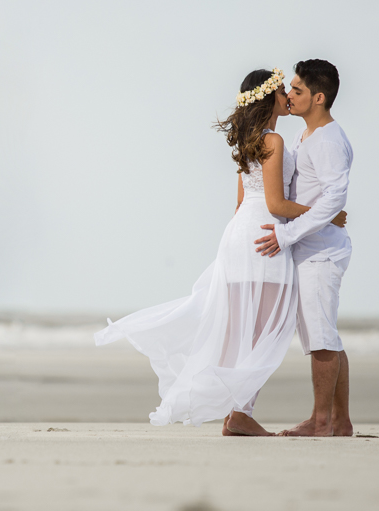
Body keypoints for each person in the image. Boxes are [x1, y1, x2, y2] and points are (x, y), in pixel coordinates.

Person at [95, 67, 346, 436]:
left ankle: (237, 411)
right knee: (263, 330)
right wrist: (327, 216)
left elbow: (241, 201)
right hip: (265, 236)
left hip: (239, 234)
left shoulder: (249, 139)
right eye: (282, 91)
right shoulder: (274, 140)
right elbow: (276, 204)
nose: (287, 97)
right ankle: (240, 412)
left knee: (239, 328)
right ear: (268, 98)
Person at [254, 59, 354, 437]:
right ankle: (339, 421)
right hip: (309, 247)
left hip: (321, 251)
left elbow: (334, 200)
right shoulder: (305, 135)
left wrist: (286, 233)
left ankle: (321, 421)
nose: (289, 95)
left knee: (320, 337)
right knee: (324, 334)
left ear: (319, 97)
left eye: (296, 90)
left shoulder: (329, 140)